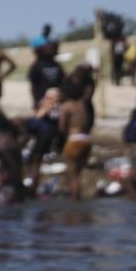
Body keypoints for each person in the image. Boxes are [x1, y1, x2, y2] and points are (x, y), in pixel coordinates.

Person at [59, 65, 96, 198]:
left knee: (73, 176)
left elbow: (62, 127)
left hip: (73, 140)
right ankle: (82, 200)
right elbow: (90, 123)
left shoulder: (67, 106)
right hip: (86, 140)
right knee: (80, 172)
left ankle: (75, 206)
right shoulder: (84, 106)